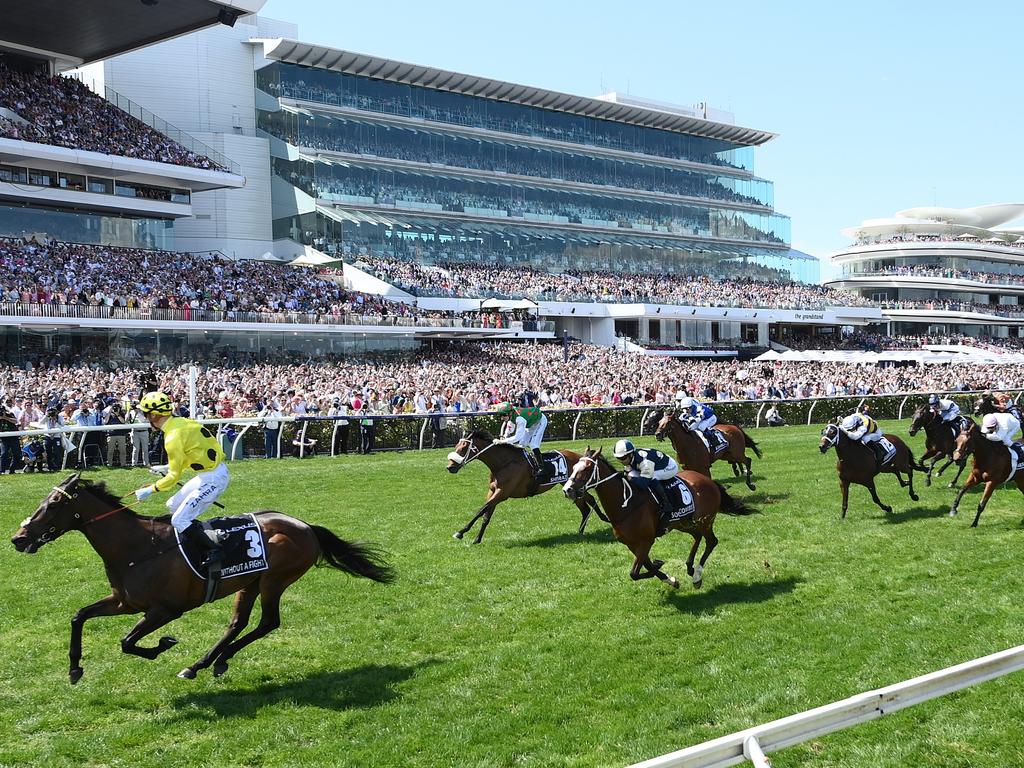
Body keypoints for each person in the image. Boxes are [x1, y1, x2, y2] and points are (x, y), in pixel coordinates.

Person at [132, 392, 228, 564]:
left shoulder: (172, 437)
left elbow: (173, 478)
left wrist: (151, 489)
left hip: (214, 478)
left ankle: (215, 549)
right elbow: (191, 455)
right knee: (172, 505)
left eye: (146, 414)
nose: (145, 418)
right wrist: (167, 467)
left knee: (179, 519)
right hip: (209, 473)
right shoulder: (180, 422)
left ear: (153, 415)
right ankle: (198, 535)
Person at [612, 439, 678, 523]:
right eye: (618, 458)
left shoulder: (645, 462)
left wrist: (630, 478)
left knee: (653, 477)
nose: (621, 461)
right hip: (653, 464)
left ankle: (667, 504)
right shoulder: (631, 458)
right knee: (631, 474)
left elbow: (644, 484)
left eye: (623, 458)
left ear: (631, 454)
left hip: (669, 467)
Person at [494, 401, 548, 478]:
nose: (502, 418)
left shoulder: (520, 419)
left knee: (533, 444)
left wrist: (502, 441)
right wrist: (504, 437)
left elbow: (517, 437)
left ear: (510, 413)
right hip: (530, 423)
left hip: (540, 421)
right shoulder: (512, 414)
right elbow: (510, 429)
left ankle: (542, 468)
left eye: (504, 415)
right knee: (522, 444)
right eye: (500, 415)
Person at [103, 403, 130, 468]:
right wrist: (109, 412)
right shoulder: (109, 414)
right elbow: (105, 421)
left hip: (121, 434)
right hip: (111, 434)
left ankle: (123, 464)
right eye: (114, 407)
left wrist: (118, 414)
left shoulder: (122, 413)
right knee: (110, 450)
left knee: (122, 450)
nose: (115, 409)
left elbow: (123, 421)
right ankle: (109, 464)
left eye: (116, 407)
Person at [127, 399, 150, 467]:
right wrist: (128, 411)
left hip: (144, 432)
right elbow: (126, 421)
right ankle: (134, 464)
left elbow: (146, 420)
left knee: (145, 449)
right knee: (135, 449)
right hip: (135, 432)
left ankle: (146, 463)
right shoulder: (131, 412)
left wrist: (139, 413)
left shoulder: (144, 412)